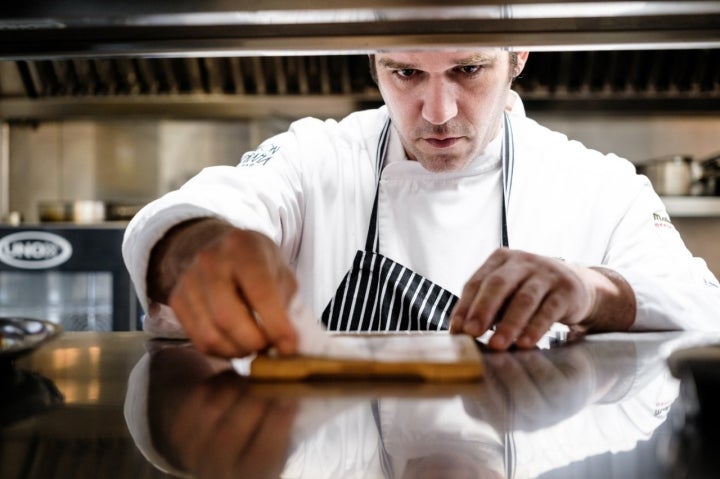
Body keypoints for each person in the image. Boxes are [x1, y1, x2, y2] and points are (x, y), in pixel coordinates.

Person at [122, 49, 720, 358]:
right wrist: (192, 245)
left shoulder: (596, 183)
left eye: (468, 70)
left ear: (519, 56)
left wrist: (592, 290)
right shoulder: (317, 157)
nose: (438, 112)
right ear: (372, 62)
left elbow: (701, 307)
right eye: (405, 72)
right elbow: (207, 206)